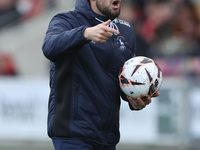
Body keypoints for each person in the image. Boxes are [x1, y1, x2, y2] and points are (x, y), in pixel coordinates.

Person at [42, 0, 159, 149]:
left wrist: (135, 99)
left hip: (107, 136)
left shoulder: (126, 30)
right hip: (73, 134)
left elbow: (122, 80)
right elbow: (49, 47)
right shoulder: (66, 21)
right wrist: (85, 33)